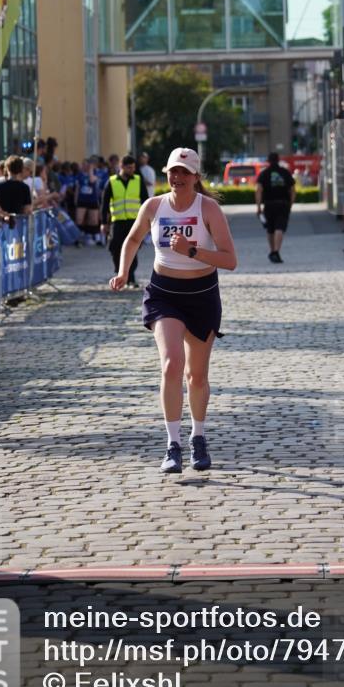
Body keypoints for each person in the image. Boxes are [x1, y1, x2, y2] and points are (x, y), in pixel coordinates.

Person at [109, 147, 237, 474]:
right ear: (166, 174)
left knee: (197, 375)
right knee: (171, 365)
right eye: (173, 172)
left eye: (184, 172)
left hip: (202, 295)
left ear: (195, 177)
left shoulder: (208, 209)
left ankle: (198, 437)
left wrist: (192, 251)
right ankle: (172, 444)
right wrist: (123, 271)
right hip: (163, 293)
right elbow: (132, 239)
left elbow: (229, 260)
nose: (177, 178)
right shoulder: (154, 206)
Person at [101, 154, 148, 287]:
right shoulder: (112, 181)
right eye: (129, 168)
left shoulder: (138, 180)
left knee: (133, 249)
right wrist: (103, 222)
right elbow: (104, 204)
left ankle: (131, 277)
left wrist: (147, 220)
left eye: (133, 167)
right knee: (115, 248)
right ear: (121, 166)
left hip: (134, 221)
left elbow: (146, 201)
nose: (132, 170)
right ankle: (120, 272)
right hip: (117, 221)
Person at [255, 152, 295, 264]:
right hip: (283, 204)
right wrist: (290, 205)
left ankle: (272, 250)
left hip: (269, 204)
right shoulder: (285, 172)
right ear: (278, 160)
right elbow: (293, 190)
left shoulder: (264, 173)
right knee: (280, 227)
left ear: (268, 161)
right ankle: (276, 251)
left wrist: (258, 207)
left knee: (270, 228)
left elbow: (258, 191)